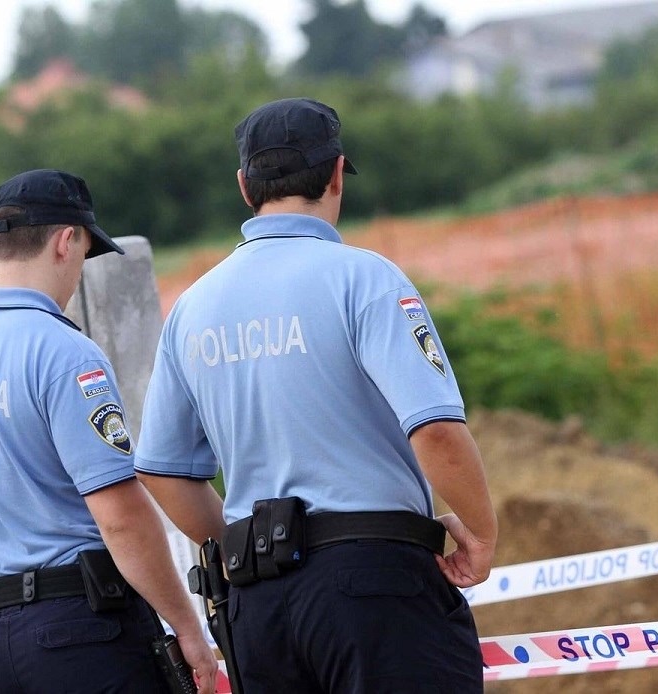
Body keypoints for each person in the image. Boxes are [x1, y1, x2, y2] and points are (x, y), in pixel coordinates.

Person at [136, 98, 497, 693]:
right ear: (336, 174)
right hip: (377, 587)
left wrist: (236, 546)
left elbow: (162, 470)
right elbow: (434, 431)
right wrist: (480, 534)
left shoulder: (192, 307)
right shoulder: (366, 278)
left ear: (244, 185)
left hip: (260, 605)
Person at [0, 169, 217, 694]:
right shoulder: (65, 353)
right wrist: (187, 627)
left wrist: (3, 617)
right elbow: (120, 519)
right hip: (85, 637)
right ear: (67, 241)